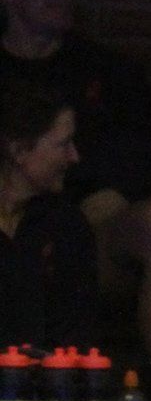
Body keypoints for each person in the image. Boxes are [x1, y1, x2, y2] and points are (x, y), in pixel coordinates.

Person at [0, 0, 151, 389]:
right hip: (12, 216)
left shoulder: (106, 70)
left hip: (91, 224)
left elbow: (144, 158)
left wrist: (105, 199)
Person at [0, 87, 103, 349]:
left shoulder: (65, 225)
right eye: (63, 144)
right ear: (19, 151)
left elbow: (74, 333)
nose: (74, 156)